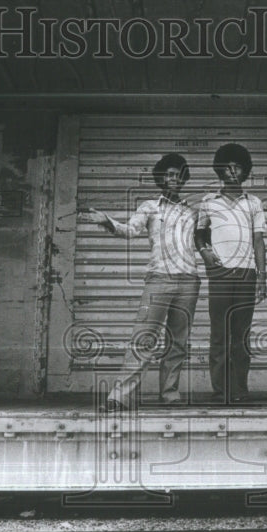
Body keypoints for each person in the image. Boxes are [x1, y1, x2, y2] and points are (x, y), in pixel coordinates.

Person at [87, 153, 200, 411]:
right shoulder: (149, 207)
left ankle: (170, 395)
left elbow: (204, 243)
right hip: (158, 279)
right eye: (169, 174)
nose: (174, 179)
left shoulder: (193, 211)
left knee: (178, 341)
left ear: (184, 179)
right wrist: (108, 222)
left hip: (189, 281)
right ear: (161, 178)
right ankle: (119, 396)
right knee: (144, 338)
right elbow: (130, 231)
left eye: (179, 175)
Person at [194, 143, 267, 404]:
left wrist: (262, 277)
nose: (232, 171)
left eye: (237, 167)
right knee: (219, 333)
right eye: (227, 167)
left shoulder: (254, 202)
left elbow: (259, 241)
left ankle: (239, 391)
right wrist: (205, 253)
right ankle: (220, 391)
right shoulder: (208, 201)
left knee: (241, 334)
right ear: (220, 170)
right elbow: (199, 234)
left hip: (247, 274)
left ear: (245, 170)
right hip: (220, 274)